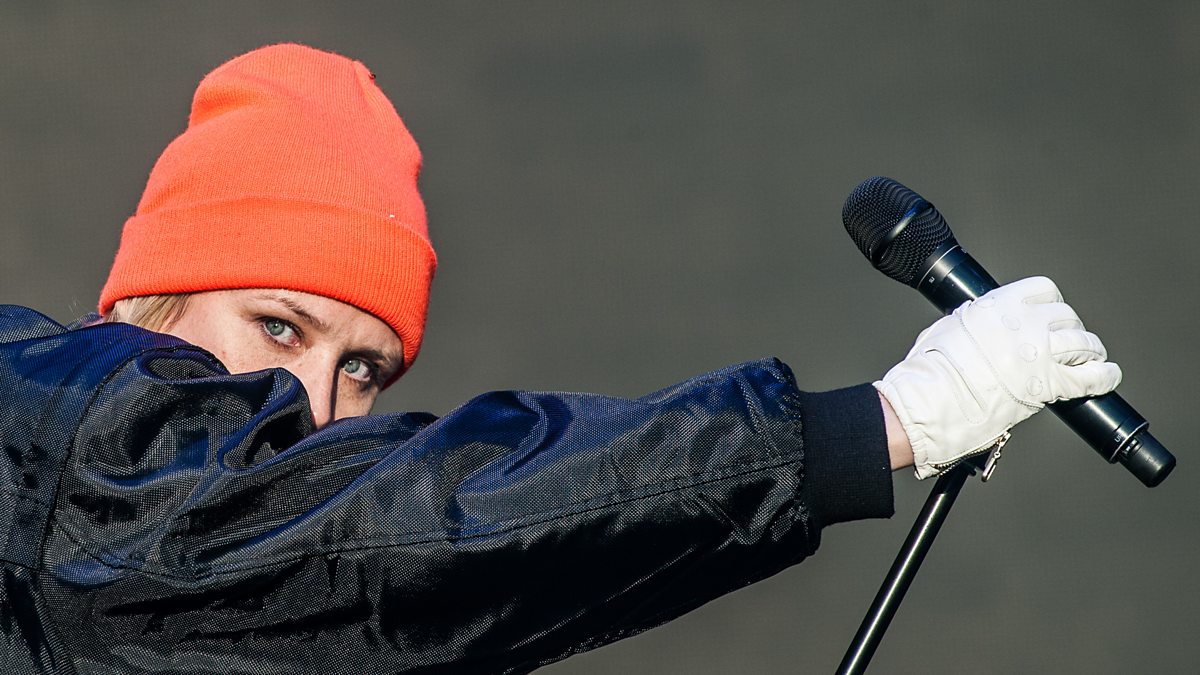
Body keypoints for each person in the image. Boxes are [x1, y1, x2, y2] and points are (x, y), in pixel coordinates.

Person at [0, 43, 1120, 674]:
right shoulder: (57, 435)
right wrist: (870, 426)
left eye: (364, 369)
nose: (315, 404)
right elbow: (420, 528)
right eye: (279, 327)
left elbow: (439, 584)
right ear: (143, 302)